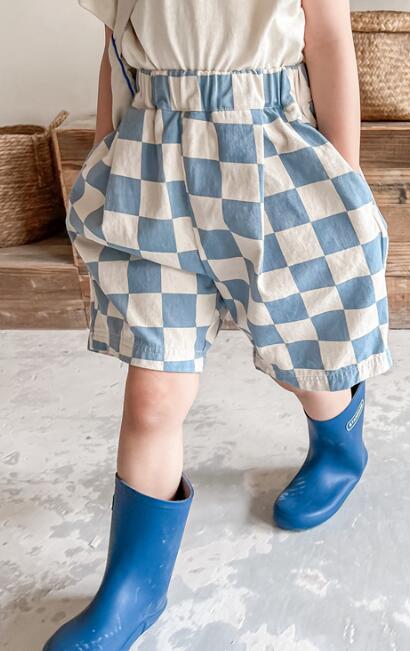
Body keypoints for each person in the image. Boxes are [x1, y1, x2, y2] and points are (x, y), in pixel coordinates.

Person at [44, 0, 392, 648]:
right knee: (153, 395)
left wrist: (343, 179)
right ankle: (133, 588)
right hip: (149, 162)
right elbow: (115, 49)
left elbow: (327, 41)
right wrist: (102, 159)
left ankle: (340, 440)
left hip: (271, 152)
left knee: (303, 358)